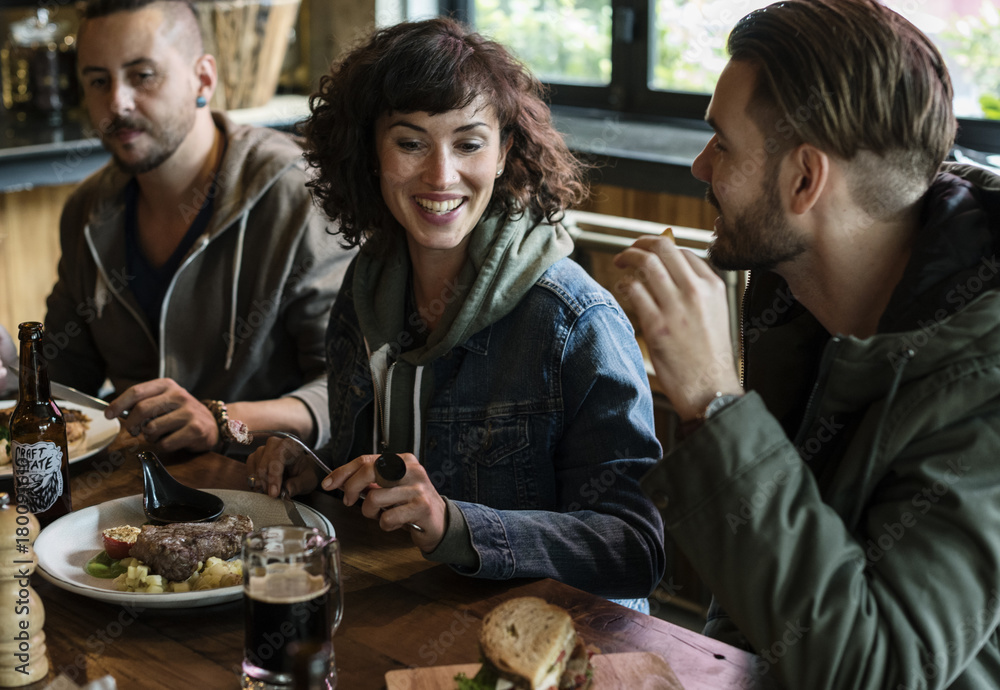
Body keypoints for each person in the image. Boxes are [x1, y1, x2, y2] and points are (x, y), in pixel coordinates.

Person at [615, 0, 1000, 687]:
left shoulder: (985, 384)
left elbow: (877, 672)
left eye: (722, 144)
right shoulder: (793, 296)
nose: (701, 168)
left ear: (803, 179)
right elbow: (768, 605)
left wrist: (713, 403)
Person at [248, 18, 666, 608]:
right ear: (370, 151)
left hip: (555, 649)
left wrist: (452, 525)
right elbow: (379, 481)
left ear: (503, 153)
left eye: (468, 143)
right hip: (399, 619)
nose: (441, 175)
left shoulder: (576, 321)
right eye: (411, 142)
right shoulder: (363, 293)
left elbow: (635, 551)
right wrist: (319, 474)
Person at [6, 0, 353, 453]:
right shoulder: (88, 209)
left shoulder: (299, 194)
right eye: (97, 81)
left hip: (273, 495)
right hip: (136, 494)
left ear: (203, 78)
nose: (117, 103)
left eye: (142, 75)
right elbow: (70, 382)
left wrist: (223, 419)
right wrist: (15, 370)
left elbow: (352, 389)